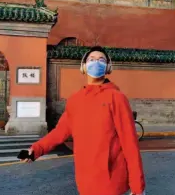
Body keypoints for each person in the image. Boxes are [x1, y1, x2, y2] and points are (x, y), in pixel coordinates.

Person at [21, 46, 146, 195]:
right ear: (83, 67)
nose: (96, 63)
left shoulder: (116, 98)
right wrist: (35, 150)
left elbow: (130, 143)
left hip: (111, 179)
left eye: (101, 60)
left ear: (108, 67)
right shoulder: (75, 100)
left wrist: (138, 187)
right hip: (85, 178)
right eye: (91, 60)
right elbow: (60, 132)